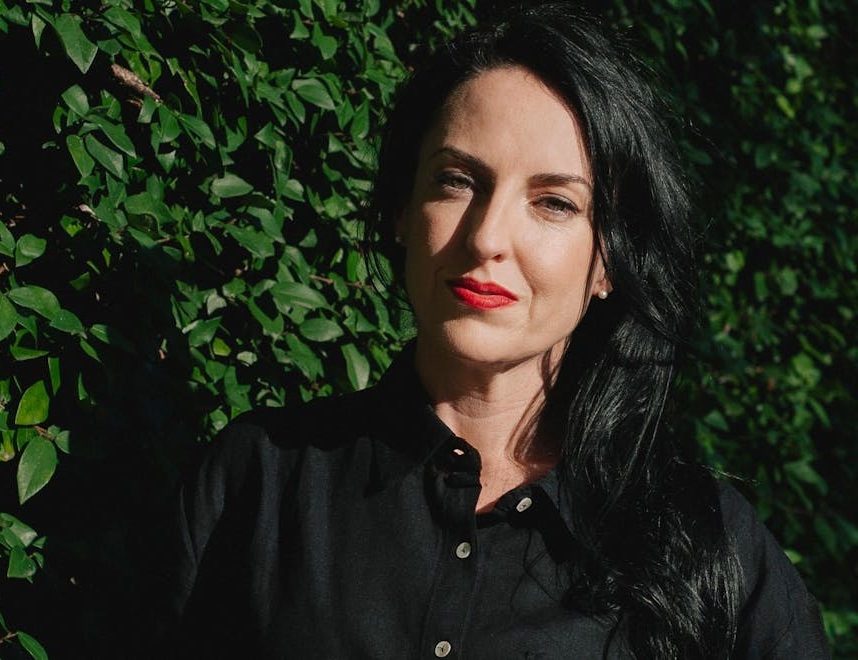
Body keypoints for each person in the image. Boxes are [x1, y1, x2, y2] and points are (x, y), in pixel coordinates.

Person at [163, 4, 829, 658]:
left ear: (609, 263)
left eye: (554, 203)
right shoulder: (256, 482)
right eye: (457, 181)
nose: (486, 238)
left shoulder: (715, 549)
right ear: (402, 209)